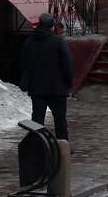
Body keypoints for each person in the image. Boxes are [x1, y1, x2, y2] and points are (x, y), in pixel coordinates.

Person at [18, 12, 73, 141]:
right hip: (57, 89)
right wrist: (69, 82)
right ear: (52, 26)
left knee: (37, 120)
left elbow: (22, 63)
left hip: (37, 88)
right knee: (60, 119)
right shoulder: (58, 41)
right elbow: (67, 63)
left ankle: (37, 147)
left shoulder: (29, 42)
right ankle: (62, 147)